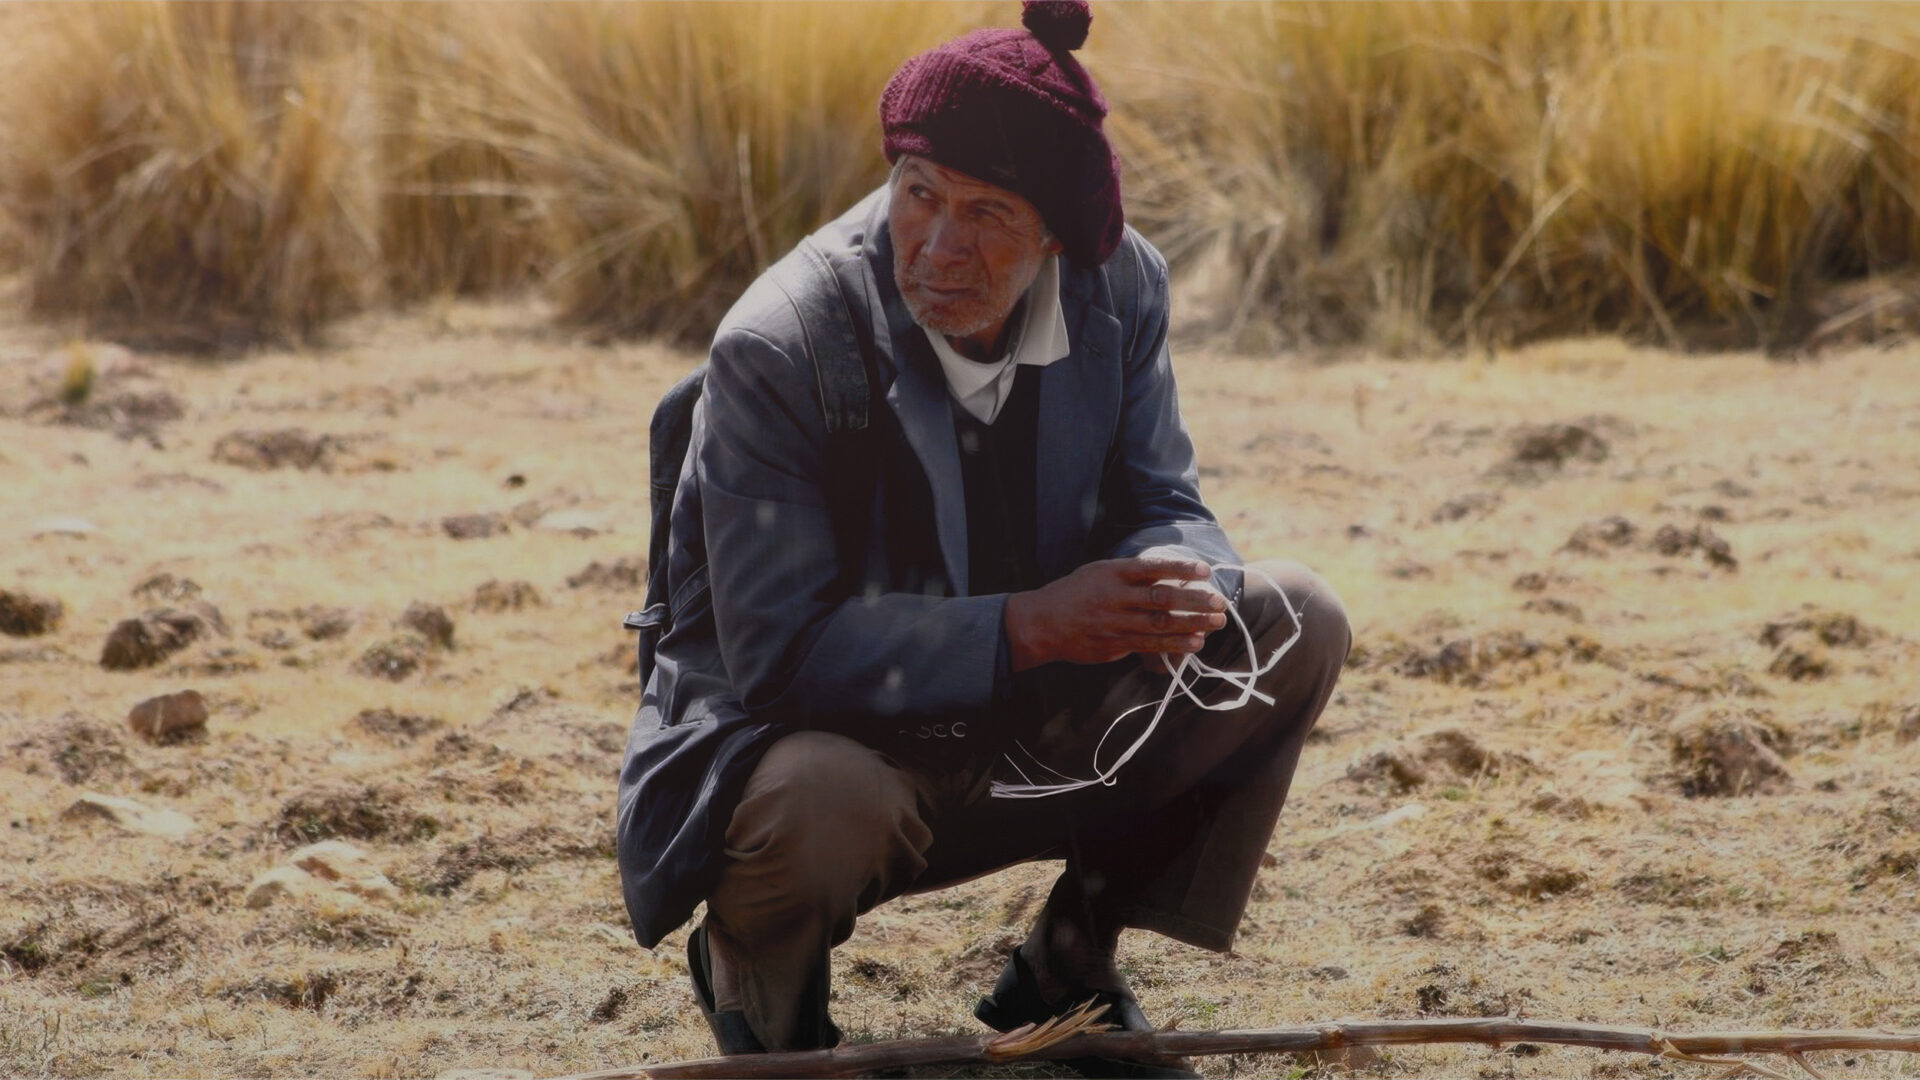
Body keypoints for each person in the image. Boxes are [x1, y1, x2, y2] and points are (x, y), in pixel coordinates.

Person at [614, 2, 1350, 1073]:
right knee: (818, 798)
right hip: (832, 751)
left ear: (1056, 233)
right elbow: (779, 655)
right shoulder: (781, 343)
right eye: (920, 195)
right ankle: (760, 987)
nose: (940, 246)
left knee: (1293, 620)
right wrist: (1033, 626)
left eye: (989, 213)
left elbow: (1161, 491)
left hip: (1030, 729)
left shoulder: (1118, 283)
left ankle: (1069, 962)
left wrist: (1180, 573)